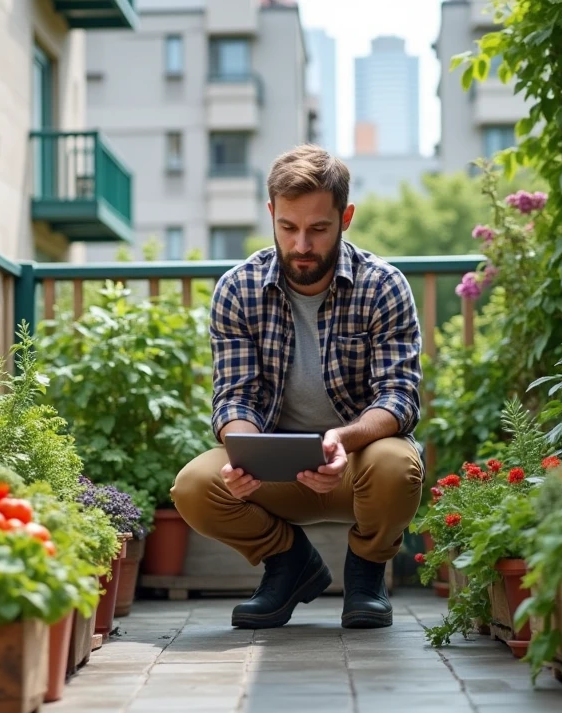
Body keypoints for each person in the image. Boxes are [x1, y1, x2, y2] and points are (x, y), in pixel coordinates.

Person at [170, 144, 424, 630]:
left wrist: (341, 441)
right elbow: (234, 396)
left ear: (345, 217)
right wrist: (245, 451)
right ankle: (289, 564)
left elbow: (399, 396)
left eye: (318, 229)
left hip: (358, 464)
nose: (301, 245)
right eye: (288, 227)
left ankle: (367, 573)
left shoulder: (383, 285)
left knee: (398, 466)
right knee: (195, 487)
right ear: (271, 214)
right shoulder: (237, 289)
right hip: (275, 468)